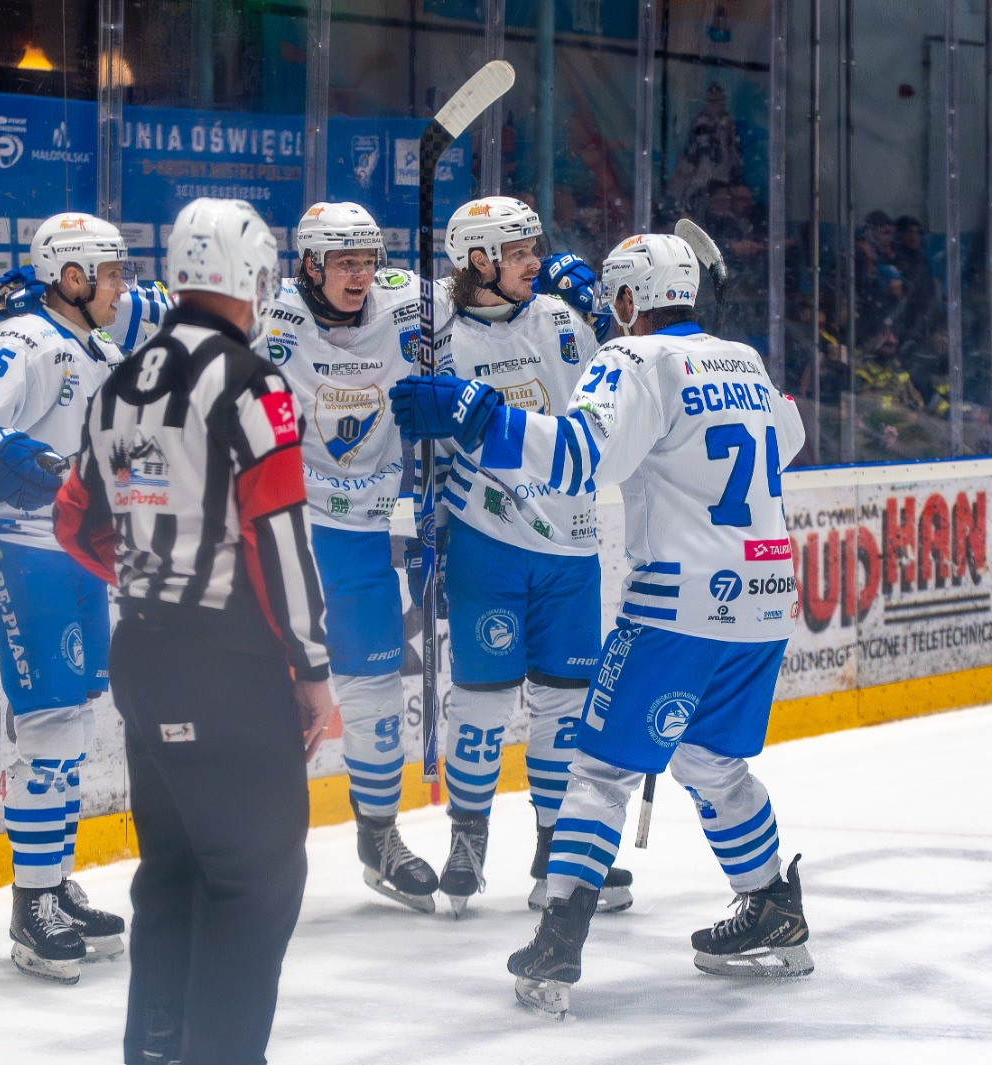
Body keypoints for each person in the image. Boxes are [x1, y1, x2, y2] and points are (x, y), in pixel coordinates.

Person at [392, 231, 814, 1018]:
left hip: (680, 603)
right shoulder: (746, 362)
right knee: (710, 760)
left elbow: (576, 457)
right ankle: (772, 903)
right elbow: (787, 437)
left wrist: (472, 410)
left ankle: (558, 938)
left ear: (626, 302)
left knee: (597, 771)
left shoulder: (631, 361)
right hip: (763, 593)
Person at [54, 197, 337, 1064]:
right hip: (230, 667)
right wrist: (311, 665)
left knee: (171, 874)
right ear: (254, 277)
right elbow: (277, 532)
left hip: (143, 657)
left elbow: (75, 522)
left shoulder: (117, 384)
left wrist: (154, 580)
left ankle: (155, 1050)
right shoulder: (252, 382)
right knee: (256, 881)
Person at [0, 212, 134, 984]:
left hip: (78, 555)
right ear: (73, 279)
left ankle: (54, 882)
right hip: (20, 550)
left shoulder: (99, 348)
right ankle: (32, 902)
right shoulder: (21, 341)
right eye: (110, 273)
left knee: (73, 724)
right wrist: (1, 453)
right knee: (49, 726)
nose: (122, 286)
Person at [427, 195, 632, 916]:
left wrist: (610, 320)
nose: (535, 263)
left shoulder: (563, 320)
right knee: (482, 703)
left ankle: (555, 846)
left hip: (572, 543)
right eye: (518, 252)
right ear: (477, 259)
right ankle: (467, 834)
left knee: (563, 705)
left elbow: (626, 390)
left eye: (533, 249)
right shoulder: (436, 332)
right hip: (487, 540)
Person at [257, 201, 439, 912]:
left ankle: (379, 836)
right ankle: (267, 847)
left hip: (364, 530)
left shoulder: (406, 304)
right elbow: (162, 312)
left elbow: (493, 299)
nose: (362, 274)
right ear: (311, 264)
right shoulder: (277, 323)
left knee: (373, 687)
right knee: (278, 695)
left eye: (370, 260)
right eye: (346, 262)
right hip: (293, 533)